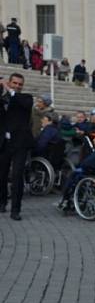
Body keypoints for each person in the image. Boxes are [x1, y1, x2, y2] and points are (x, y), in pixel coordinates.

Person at [0, 73, 34, 221]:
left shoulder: (26, 98)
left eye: (20, 84)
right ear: (10, 82)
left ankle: (16, 209)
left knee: (17, 175)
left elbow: (24, 104)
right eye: (14, 83)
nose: (17, 86)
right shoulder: (3, 99)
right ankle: (2, 202)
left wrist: (9, 89)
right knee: (2, 174)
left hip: (20, 143)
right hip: (4, 143)